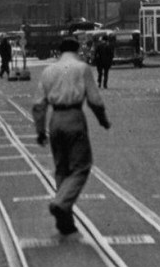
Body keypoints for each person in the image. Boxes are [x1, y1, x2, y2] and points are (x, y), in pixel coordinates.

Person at [32, 34, 110, 235]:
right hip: (75, 117)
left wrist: (40, 131)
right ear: (76, 50)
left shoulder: (49, 70)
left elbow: (39, 104)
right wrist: (102, 119)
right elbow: (94, 99)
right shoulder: (81, 68)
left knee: (61, 168)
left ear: (59, 50)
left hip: (55, 119)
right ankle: (60, 203)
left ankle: (65, 222)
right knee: (81, 166)